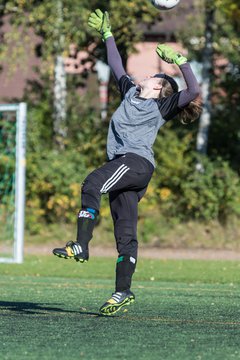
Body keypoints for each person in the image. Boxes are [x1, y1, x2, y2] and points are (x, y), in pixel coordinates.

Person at [53, 9, 201, 316]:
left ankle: (81, 244)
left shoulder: (163, 106)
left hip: (135, 163)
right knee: (126, 233)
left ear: (161, 90)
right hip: (128, 169)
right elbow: (116, 64)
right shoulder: (130, 93)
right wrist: (107, 35)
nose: (148, 77)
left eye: (155, 78)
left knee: (93, 182)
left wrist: (179, 61)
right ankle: (122, 292)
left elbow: (194, 90)